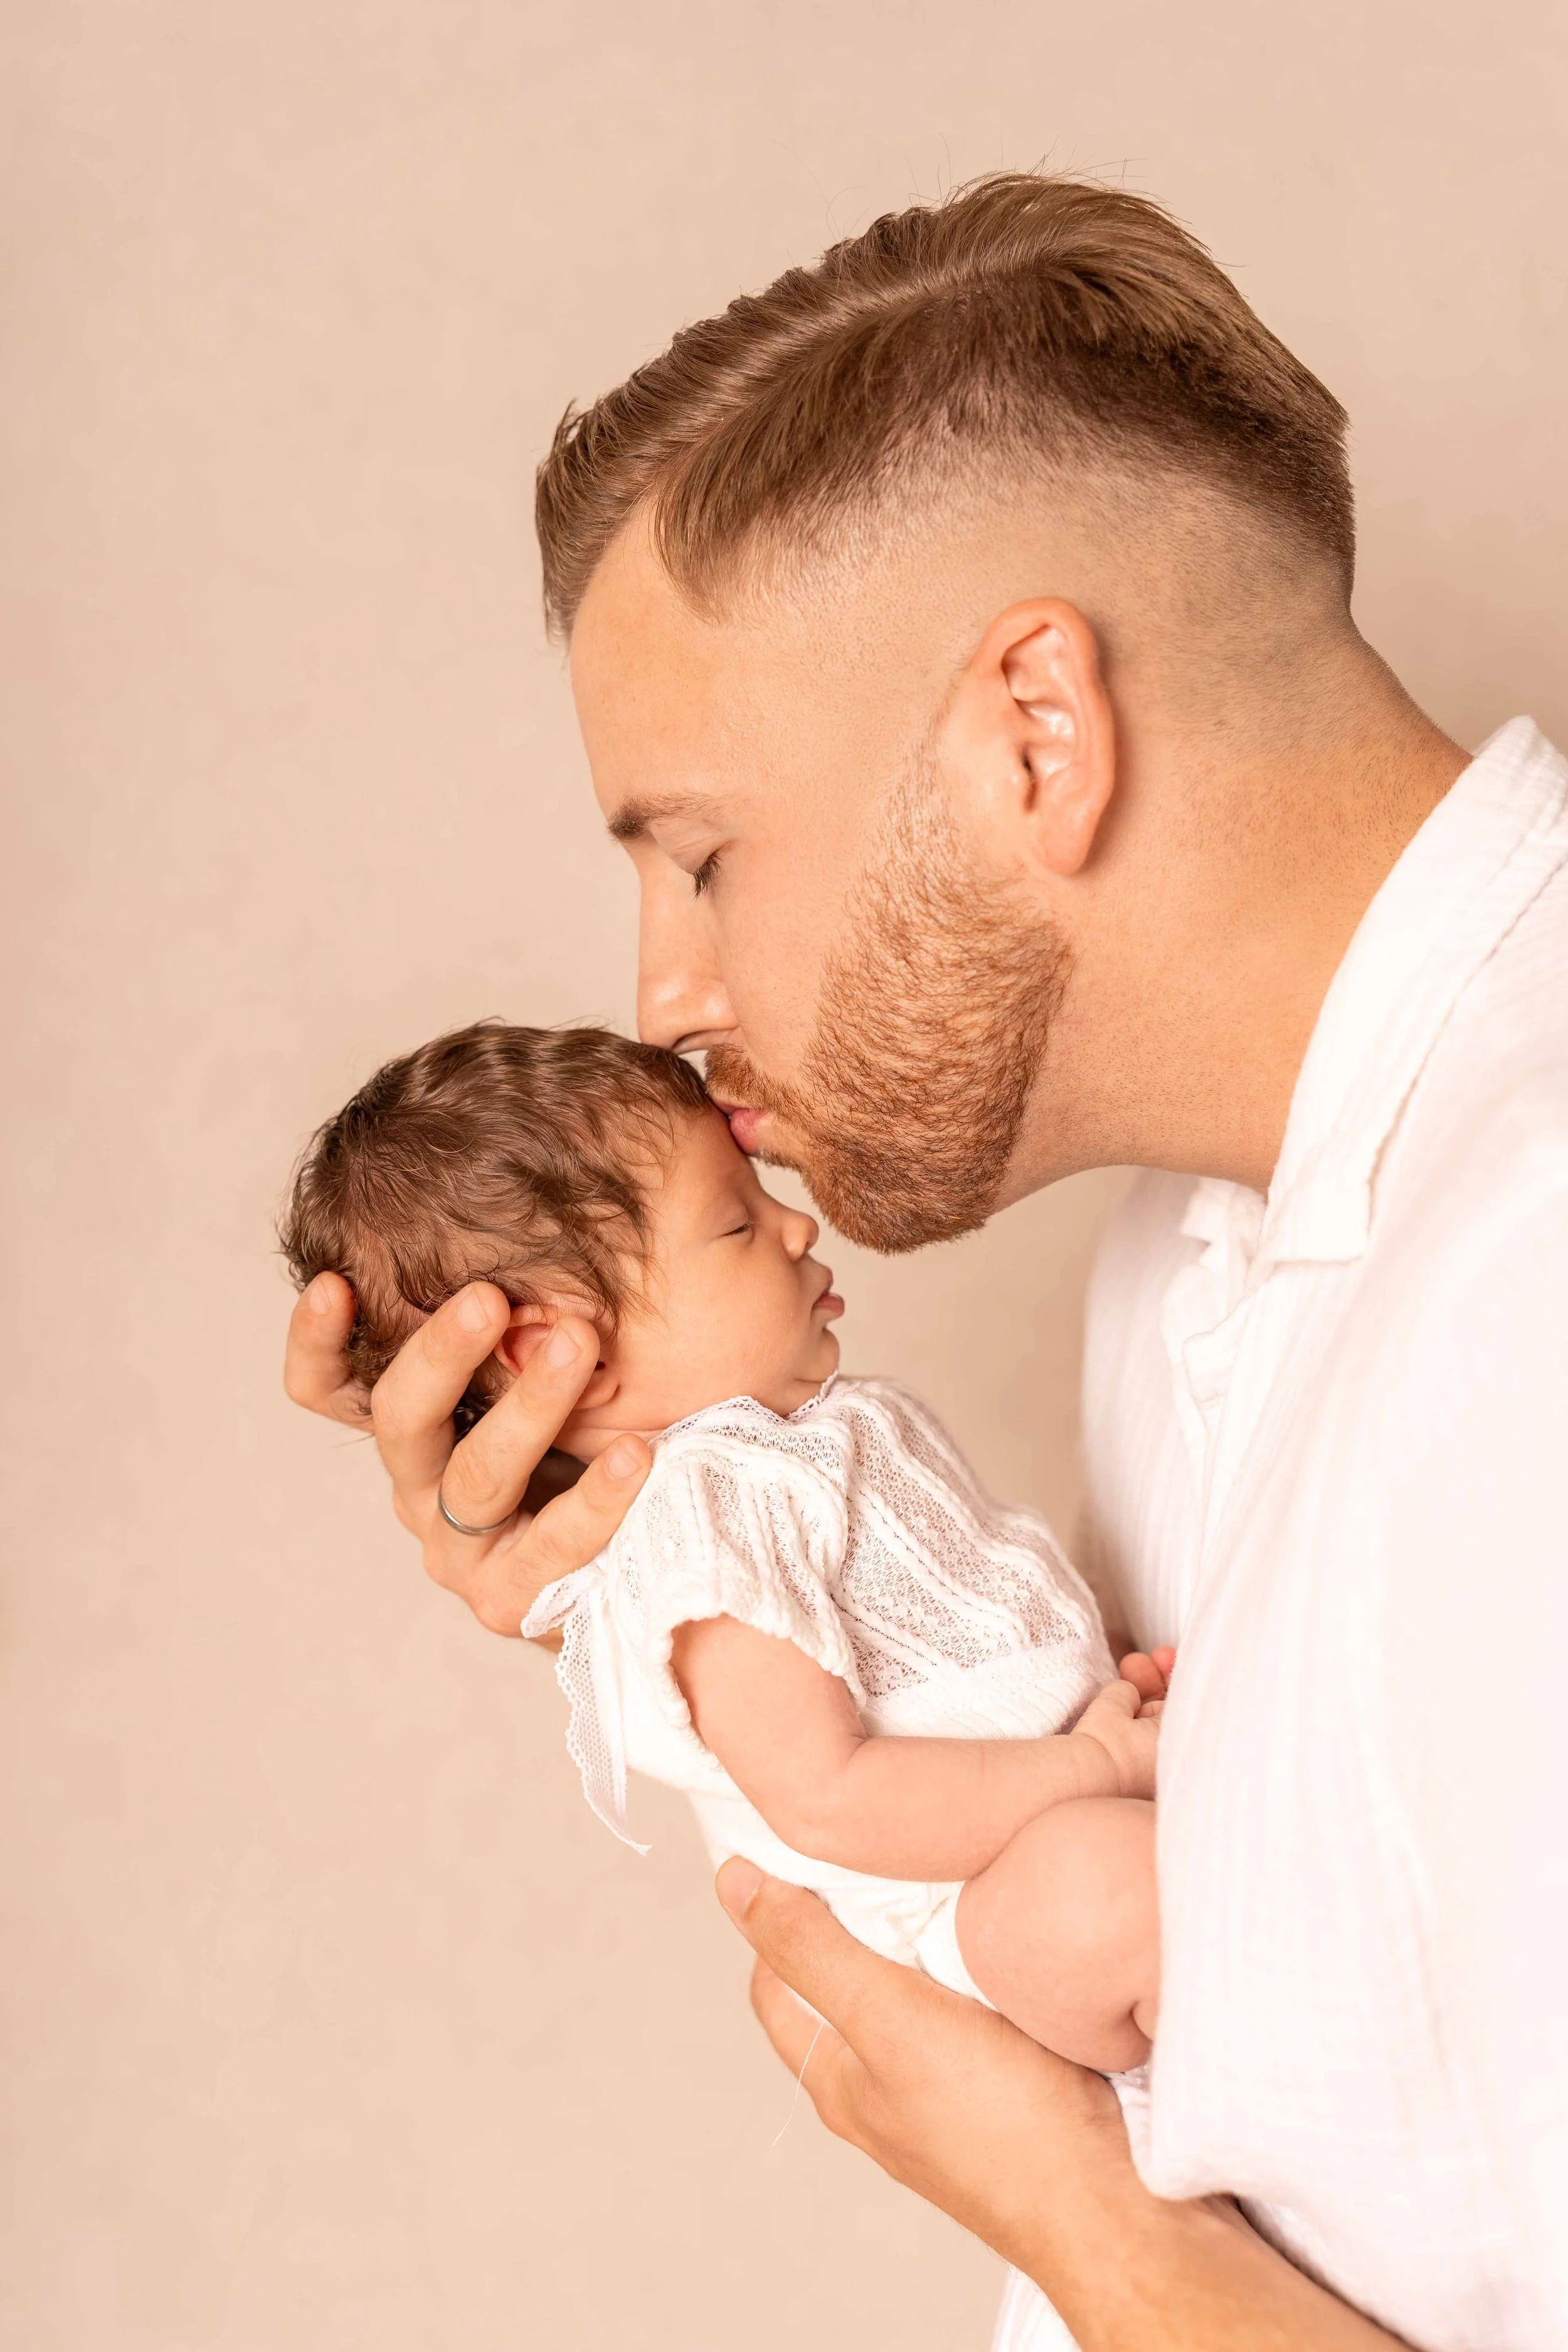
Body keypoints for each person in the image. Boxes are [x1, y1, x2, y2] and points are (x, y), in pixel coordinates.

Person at [283, 173, 1568, 2349]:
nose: (665, 995)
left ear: (1035, 731)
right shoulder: (1190, 1246)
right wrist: (651, 1554)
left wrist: (1075, 2216)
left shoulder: (1528, 1285)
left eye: (699, 854)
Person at [278, 1017, 1165, 2070]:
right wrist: (1094, 1764)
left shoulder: (794, 1440)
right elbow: (829, 1796)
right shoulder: (701, 1521)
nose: (796, 1226)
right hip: (960, 1911)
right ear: (563, 1353)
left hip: (1048, 1801)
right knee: (1111, 1893)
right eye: (737, 1222)